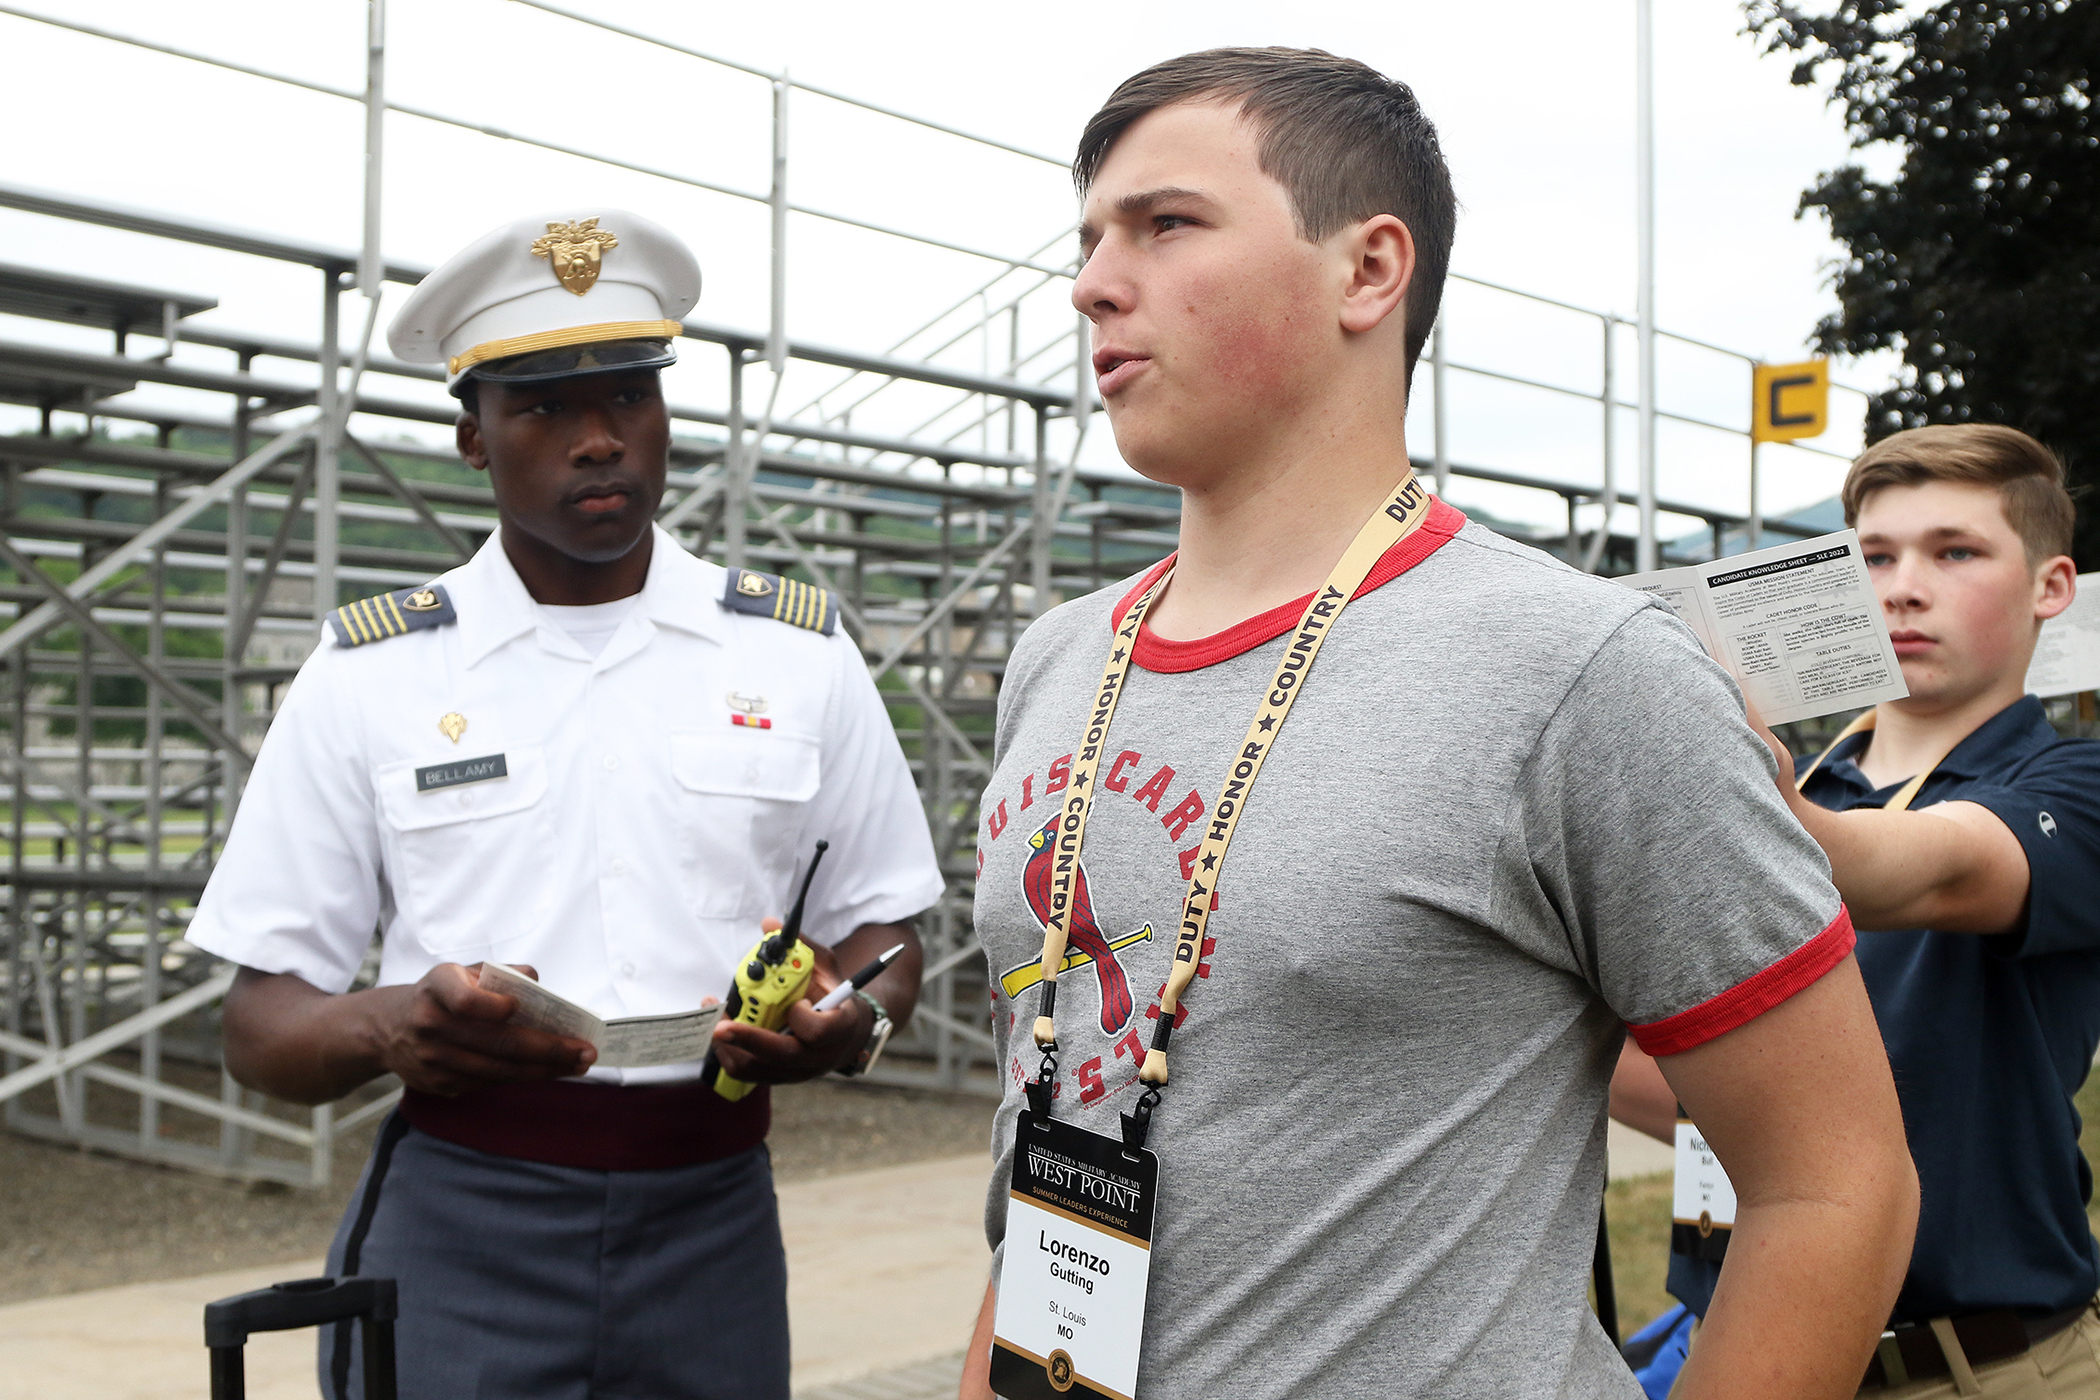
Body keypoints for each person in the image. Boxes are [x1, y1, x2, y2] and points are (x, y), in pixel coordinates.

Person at [958, 47, 1918, 1400]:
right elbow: (1049, 1131)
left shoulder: (1582, 672)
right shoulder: (1060, 659)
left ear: (1368, 270)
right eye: (1091, 239)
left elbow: (1835, 1181)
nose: (1093, 284)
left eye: (1166, 224)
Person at [186, 209, 944, 1400]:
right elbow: (260, 1025)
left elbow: (885, 930)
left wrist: (852, 1020)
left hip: (715, 1221)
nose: (599, 438)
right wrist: (392, 1024)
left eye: (630, 394)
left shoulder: (796, 655)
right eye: (542, 405)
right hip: (464, 1224)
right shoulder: (374, 675)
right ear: (472, 437)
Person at [1614, 424, 2100, 1397]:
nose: (1902, 588)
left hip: (1975, 1368)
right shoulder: (1803, 782)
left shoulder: (2073, 780)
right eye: (1873, 556)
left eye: (1955, 552)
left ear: (2052, 587)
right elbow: (1691, 1085)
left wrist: (1727, 772)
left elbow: (1925, 871)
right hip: (1733, 1351)